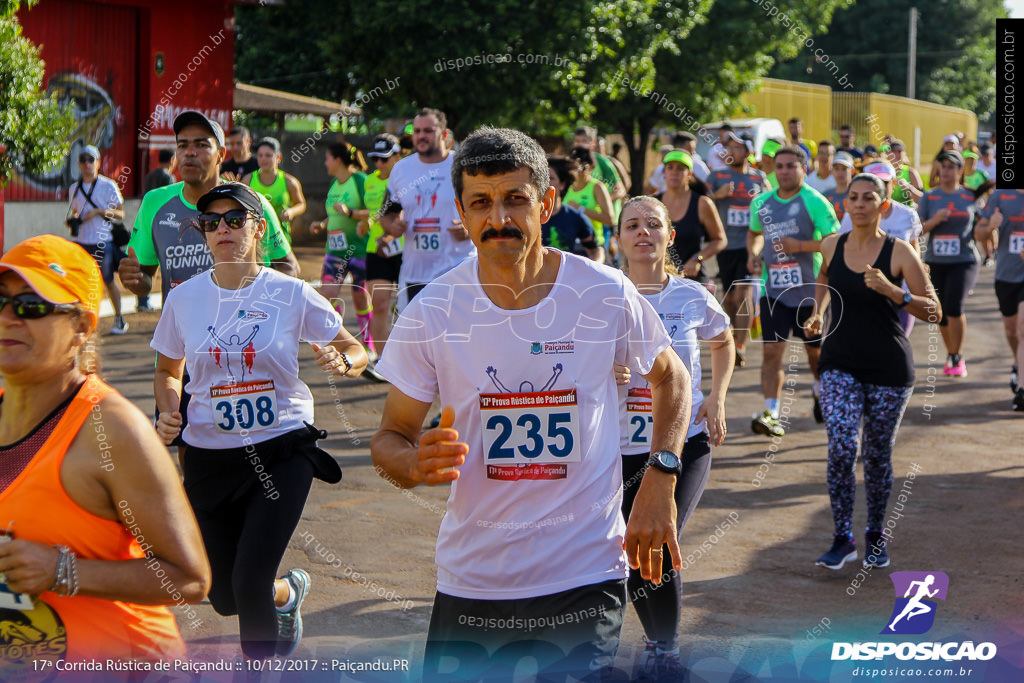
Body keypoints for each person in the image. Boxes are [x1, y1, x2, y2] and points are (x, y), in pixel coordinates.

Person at [370, 127, 691, 681]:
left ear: (545, 204)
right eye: (481, 203)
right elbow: (391, 436)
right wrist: (412, 464)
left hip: (584, 572)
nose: (499, 218)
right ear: (463, 215)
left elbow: (672, 379)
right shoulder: (434, 311)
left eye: (516, 199)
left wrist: (660, 478)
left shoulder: (602, 291)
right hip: (472, 577)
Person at [151, 183, 365, 658]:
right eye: (211, 222)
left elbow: (356, 348)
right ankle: (287, 593)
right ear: (203, 234)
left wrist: (344, 362)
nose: (222, 229)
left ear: (258, 228)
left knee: (248, 584)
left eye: (234, 219)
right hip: (209, 456)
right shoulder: (184, 299)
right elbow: (169, 371)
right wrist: (169, 409)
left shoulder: (290, 293)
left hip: (281, 447)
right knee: (222, 594)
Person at [0, 235, 210, 667]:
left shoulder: (112, 429)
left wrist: (62, 572)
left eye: (32, 306)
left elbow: (189, 578)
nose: (7, 318)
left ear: (81, 326)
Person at [118, 111, 300, 455]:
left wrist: (255, 309)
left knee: (255, 449)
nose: (189, 153)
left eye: (202, 145)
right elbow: (144, 278)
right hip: (182, 356)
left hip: (246, 350)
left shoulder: (251, 204)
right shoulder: (156, 203)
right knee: (188, 447)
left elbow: (288, 268)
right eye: (182, 145)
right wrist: (135, 281)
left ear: (221, 154)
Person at [614, 196, 734, 679]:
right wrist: (607, 369)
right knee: (628, 546)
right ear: (618, 237)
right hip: (618, 446)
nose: (643, 232)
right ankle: (648, 640)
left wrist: (719, 397)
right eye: (632, 225)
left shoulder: (691, 296)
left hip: (686, 441)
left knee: (659, 539)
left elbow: (724, 341)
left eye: (653, 224)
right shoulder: (601, 297)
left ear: (669, 236)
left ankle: (663, 652)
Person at [804, 173, 940, 570]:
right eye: (853, 197)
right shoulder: (832, 244)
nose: (860, 204)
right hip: (839, 362)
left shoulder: (899, 253)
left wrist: (896, 293)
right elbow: (825, 275)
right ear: (845, 204)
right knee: (842, 447)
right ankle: (842, 537)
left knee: (877, 456)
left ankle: (876, 534)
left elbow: (935, 311)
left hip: (889, 368)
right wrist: (818, 311)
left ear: (883, 207)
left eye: (869, 199)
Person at [747, 146, 839, 436]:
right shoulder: (762, 202)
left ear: (803, 169)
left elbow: (833, 241)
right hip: (773, 291)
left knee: (816, 354)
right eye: (779, 166)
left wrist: (799, 246)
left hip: (810, 292)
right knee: (772, 352)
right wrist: (753, 252)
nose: (783, 171)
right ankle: (771, 411)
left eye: (790, 166)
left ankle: (818, 390)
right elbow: (754, 233)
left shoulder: (815, 201)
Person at [381, 108, 476, 307]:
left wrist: (470, 228)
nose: (421, 136)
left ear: (444, 134)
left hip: (458, 268)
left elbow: (487, 209)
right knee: (418, 335)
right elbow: (386, 214)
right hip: (416, 274)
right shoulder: (401, 169)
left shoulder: (464, 167)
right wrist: (392, 227)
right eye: (417, 131)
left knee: (458, 334)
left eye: (428, 131)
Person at [838, 161, 924, 336]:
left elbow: (914, 246)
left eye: (884, 183)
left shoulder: (908, 215)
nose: (880, 188)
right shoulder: (852, 215)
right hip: (862, 294)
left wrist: (918, 268)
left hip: (900, 292)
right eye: (874, 183)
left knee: (896, 342)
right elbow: (839, 250)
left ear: (893, 183)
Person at [709, 137, 771, 367]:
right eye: (730, 148)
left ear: (748, 152)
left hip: (749, 245)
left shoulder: (757, 178)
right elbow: (703, 203)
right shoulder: (717, 176)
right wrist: (718, 195)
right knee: (729, 298)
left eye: (738, 148)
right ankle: (735, 334)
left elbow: (772, 201)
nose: (732, 151)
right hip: (726, 245)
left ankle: (740, 345)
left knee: (742, 294)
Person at [918, 150, 979, 377]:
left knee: (954, 306)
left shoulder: (970, 197)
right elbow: (918, 230)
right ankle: (951, 354)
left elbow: (982, 226)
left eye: (952, 167)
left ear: (960, 171)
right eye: (943, 166)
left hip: (964, 260)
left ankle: (957, 355)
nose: (946, 171)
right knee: (941, 312)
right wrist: (934, 221)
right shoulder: (930, 197)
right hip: (936, 261)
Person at [65, 145, 128, 334]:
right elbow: (76, 211)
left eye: (91, 159)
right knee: (79, 282)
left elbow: (120, 213)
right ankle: (82, 323)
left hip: (102, 241)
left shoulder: (108, 185)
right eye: (83, 159)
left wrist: (99, 212)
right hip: (81, 242)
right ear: (79, 164)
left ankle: (119, 319)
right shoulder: (74, 189)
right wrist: (73, 221)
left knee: (108, 281)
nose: (87, 164)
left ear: (98, 163)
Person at [975, 188, 1024, 410]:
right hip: (1006, 276)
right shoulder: (1000, 196)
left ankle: (1022, 387)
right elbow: (978, 234)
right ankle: (1018, 362)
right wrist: (991, 225)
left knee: (1023, 329)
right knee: (1012, 332)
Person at [654, 151, 726, 285]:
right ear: (664, 173)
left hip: (693, 280)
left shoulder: (702, 203)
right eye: (670, 167)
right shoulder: (652, 204)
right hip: (658, 280)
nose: (674, 172)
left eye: (680, 168)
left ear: (690, 174)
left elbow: (720, 240)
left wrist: (697, 258)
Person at [363, 134, 405, 357]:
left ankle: (411, 360)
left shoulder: (407, 179)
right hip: (376, 249)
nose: (379, 163)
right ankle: (383, 360)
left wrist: (389, 236)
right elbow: (370, 213)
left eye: (384, 159)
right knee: (379, 305)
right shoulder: (369, 181)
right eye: (375, 159)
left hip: (405, 248)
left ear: (398, 157)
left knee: (408, 307)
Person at [243, 137, 307, 246]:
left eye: (268, 155)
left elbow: (301, 204)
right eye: (260, 155)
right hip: (256, 240)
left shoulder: (289, 182)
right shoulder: (248, 180)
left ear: (278, 157)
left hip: (280, 239)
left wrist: (291, 211)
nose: (264, 159)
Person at [543, 155, 604, 261]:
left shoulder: (575, 217)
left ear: (562, 184)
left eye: (551, 178)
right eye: (542, 178)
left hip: (565, 276)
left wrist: (594, 268)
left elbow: (596, 250)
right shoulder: (527, 216)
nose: (545, 182)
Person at [566, 146, 616, 258]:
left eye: (583, 167)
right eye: (575, 167)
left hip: (593, 246)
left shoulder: (597, 187)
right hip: (571, 245)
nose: (579, 172)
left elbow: (610, 219)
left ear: (592, 167)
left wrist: (581, 210)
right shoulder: (565, 187)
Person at [885, 140, 924, 207]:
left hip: (906, 214)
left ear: (904, 154)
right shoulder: (883, 171)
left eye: (899, 151)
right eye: (894, 151)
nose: (897, 155)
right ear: (888, 154)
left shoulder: (911, 172)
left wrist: (909, 187)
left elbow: (923, 200)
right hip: (887, 213)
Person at [824, 152, 855, 221]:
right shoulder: (825, 196)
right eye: (836, 169)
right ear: (832, 171)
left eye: (844, 169)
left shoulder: (858, 195)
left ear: (852, 171)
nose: (840, 173)